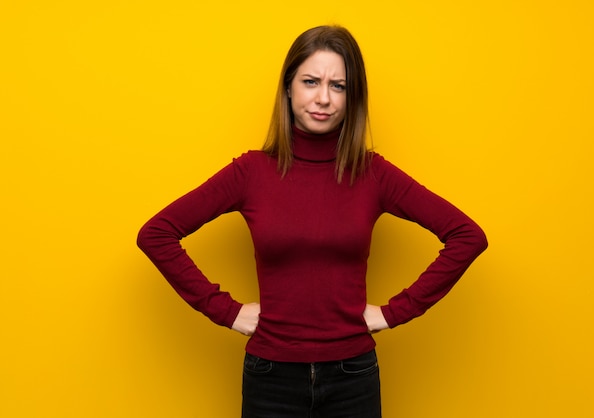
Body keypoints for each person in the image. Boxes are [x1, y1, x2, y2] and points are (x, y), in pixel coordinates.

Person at [137, 25, 487, 418]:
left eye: (338, 86)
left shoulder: (372, 174)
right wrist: (225, 310)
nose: (323, 98)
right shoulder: (252, 172)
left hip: (353, 374)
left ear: (352, 98)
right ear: (288, 88)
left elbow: (466, 236)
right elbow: (157, 234)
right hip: (270, 376)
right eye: (311, 81)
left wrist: (393, 312)